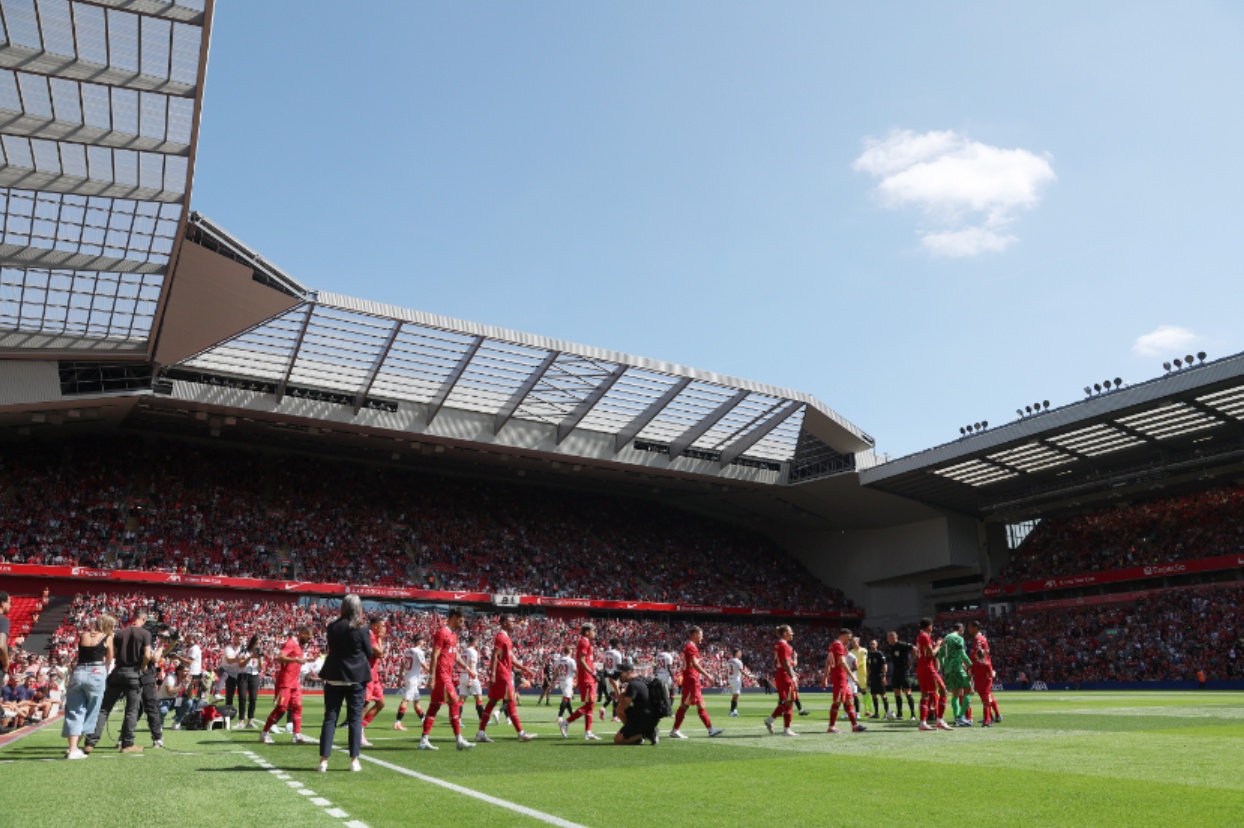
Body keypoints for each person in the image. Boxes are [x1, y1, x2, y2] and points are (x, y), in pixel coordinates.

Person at [317, 595, 375, 772]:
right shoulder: (362, 628)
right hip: (355, 678)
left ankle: (323, 761)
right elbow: (369, 652)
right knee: (355, 719)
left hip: (334, 675)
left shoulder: (332, 626)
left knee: (330, 718)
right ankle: (354, 760)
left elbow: (333, 648)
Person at [85, 606, 152, 754]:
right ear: (144, 619)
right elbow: (147, 655)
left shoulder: (120, 633)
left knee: (104, 709)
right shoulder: (145, 633)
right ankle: (127, 744)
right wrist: (143, 667)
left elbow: (112, 654)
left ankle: (90, 742)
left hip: (117, 672)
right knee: (131, 711)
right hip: (134, 674)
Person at [418, 608, 474, 751]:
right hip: (441, 675)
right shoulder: (442, 633)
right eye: (460, 621)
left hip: (447, 675)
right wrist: (432, 677)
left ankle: (424, 740)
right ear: (454, 618)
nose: (462, 624)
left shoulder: (454, 635)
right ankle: (459, 739)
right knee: (454, 703)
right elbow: (434, 655)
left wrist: (467, 668)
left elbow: (456, 655)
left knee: (434, 706)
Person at [475, 614, 537, 743]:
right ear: (504, 623)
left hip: (502, 673)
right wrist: (492, 674)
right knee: (511, 702)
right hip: (503, 674)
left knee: (492, 702)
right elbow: (494, 655)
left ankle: (481, 732)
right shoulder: (501, 637)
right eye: (511, 621)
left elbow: (511, 658)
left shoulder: (506, 638)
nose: (513, 623)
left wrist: (524, 668)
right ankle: (521, 733)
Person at [62, 612, 115, 759]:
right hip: (96, 672)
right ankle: (75, 749)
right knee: (92, 711)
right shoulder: (108, 637)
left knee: (74, 711)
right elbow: (109, 658)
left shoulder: (83, 635)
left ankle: (72, 748)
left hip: (79, 671)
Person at [262, 626, 315, 744]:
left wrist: (306, 660)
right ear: (302, 633)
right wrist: (296, 660)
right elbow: (280, 657)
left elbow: (295, 661)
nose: (309, 640)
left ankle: (296, 735)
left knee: (297, 707)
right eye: (308, 637)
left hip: (295, 681)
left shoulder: (299, 645)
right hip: (286, 681)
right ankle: (264, 733)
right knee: (281, 708)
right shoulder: (291, 643)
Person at [670, 627, 724, 739]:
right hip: (691, 680)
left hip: (691, 679)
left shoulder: (690, 646)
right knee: (687, 705)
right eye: (701, 635)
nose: (702, 638)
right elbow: (694, 664)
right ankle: (675, 730)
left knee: (696, 704)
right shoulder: (691, 647)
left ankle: (710, 729)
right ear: (695, 634)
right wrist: (707, 675)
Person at [558, 622, 600, 740]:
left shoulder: (586, 643)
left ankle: (587, 732)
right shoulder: (584, 642)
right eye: (593, 630)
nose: (594, 633)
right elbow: (581, 660)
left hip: (588, 677)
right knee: (590, 704)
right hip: (587, 678)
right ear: (587, 632)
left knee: (590, 705)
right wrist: (592, 673)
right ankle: (566, 722)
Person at [822, 628, 866, 734]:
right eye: (848, 638)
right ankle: (831, 727)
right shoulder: (838, 645)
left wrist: (825, 677)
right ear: (843, 636)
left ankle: (855, 725)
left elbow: (828, 662)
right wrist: (853, 676)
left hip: (842, 678)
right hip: (839, 677)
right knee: (837, 702)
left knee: (849, 701)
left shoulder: (833, 645)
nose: (849, 641)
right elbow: (842, 662)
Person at [915, 618, 952, 731]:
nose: (932, 627)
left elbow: (924, 651)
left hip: (921, 667)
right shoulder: (925, 636)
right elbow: (931, 653)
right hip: (928, 668)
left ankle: (923, 723)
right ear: (928, 626)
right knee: (943, 691)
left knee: (925, 695)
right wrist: (939, 645)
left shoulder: (920, 636)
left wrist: (935, 644)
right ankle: (939, 720)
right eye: (931, 625)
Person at [764, 625, 800, 737]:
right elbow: (785, 662)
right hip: (784, 675)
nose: (792, 634)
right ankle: (786, 729)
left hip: (782, 674)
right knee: (789, 701)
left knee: (789, 701)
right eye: (790, 632)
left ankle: (771, 720)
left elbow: (785, 662)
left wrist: (792, 673)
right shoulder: (783, 645)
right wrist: (792, 676)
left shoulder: (780, 644)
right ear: (785, 633)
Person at [613, 660, 659, 745]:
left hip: (644, 718)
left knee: (618, 740)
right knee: (619, 709)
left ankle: (647, 733)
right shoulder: (641, 679)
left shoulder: (633, 684)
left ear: (628, 673)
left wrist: (616, 688)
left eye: (621, 674)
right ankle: (636, 735)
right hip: (650, 715)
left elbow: (624, 705)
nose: (619, 676)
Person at [966, 620, 1001, 724]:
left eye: (970, 627)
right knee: (987, 694)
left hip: (981, 669)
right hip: (983, 668)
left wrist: (971, 666)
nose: (968, 629)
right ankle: (994, 715)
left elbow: (978, 655)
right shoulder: (982, 638)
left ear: (975, 628)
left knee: (985, 695)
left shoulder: (978, 639)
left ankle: (989, 718)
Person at [359, 616, 387, 746]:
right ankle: (358, 734)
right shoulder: (370, 636)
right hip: (367, 675)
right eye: (383, 626)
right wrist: (380, 639)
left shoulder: (374, 636)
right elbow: (380, 654)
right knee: (364, 704)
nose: (385, 629)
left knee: (380, 703)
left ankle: (361, 728)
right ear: (376, 627)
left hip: (374, 676)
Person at [940, 623, 973, 726]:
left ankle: (956, 718)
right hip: (957, 667)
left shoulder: (946, 638)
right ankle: (961, 716)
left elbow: (940, 655)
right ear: (961, 629)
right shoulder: (959, 639)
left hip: (948, 669)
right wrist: (971, 665)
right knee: (969, 690)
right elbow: (963, 654)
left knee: (955, 694)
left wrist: (944, 666)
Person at [393, 633, 428, 730]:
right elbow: (424, 666)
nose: (424, 642)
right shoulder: (419, 652)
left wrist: (400, 678)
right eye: (423, 640)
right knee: (406, 700)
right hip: (413, 679)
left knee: (417, 701)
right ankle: (397, 722)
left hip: (408, 676)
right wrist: (434, 672)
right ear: (419, 641)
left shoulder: (407, 651)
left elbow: (402, 664)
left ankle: (424, 720)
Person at [886, 631, 917, 721]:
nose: (887, 639)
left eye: (888, 637)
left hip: (904, 671)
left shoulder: (902, 644)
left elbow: (914, 648)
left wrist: (911, 660)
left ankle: (913, 715)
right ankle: (899, 714)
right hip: (896, 671)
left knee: (907, 692)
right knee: (897, 692)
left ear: (893, 637)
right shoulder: (892, 647)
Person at [600, 638, 624, 721]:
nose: (620, 645)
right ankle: (614, 717)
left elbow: (604, 665)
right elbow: (619, 667)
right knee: (616, 696)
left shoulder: (606, 653)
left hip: (607, 676)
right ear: (616, 644)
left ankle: (603, 708)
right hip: (614, 676)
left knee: (613, 696)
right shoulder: (617, 654)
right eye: (619, 644)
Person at [865, 639, 889, 719]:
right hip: (872, 676)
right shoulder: (869, 655)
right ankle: (876, 713)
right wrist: (868, 677)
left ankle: (886, 713)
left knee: (883, 694)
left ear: (877, 645)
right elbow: (868, 666)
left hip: (879, 676)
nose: (872, 645)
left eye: (874, 644)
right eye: (871, 644)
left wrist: (884, 675)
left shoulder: (879, 654)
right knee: (874, 695)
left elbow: (884, 665)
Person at [725, 648, 754, 717]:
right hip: (736, 679)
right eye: (740, 653)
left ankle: (733, 710)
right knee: (736, 695)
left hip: (730, 679)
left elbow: (728, 670)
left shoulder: (729, 661)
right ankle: (733, 711)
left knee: (734, 695)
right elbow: (742, 671)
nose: (741, 654)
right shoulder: (738, 661)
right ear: (736, 653)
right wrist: (749, 676)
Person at [554, 646, 577, 719]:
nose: (572, 651)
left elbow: (556, 672)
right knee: (566, 698)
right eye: (571, 650)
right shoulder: (571, 660)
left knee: (568, 698)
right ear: (569, 651)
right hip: (568, 681)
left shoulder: (559, 660)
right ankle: (560, 716)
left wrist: (552, 681)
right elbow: (576, 671)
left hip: (561, 681)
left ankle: (571, 714)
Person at [0, 592, 11, 675]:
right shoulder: (3, 620)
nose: (10, 606)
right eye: (10, 603)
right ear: (3, 604)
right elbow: (1, 645)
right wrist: (6, 664)